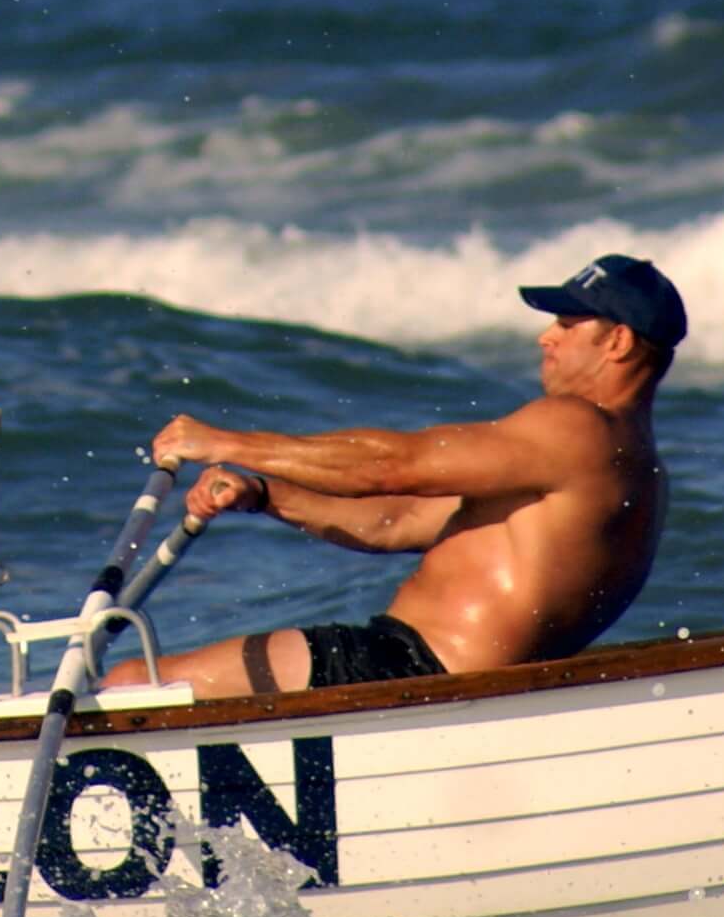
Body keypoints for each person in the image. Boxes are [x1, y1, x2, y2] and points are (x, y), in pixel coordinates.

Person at [111, 253, 684, 698]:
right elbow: (396, 519)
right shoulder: (636, 465)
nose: (545, 336)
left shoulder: (576, 430)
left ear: (618, 340)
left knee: (131, 684)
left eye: (566, 322)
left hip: (411, 669)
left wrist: (225, 442)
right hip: (437, 672)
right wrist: (262, 494)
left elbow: (389, 468)